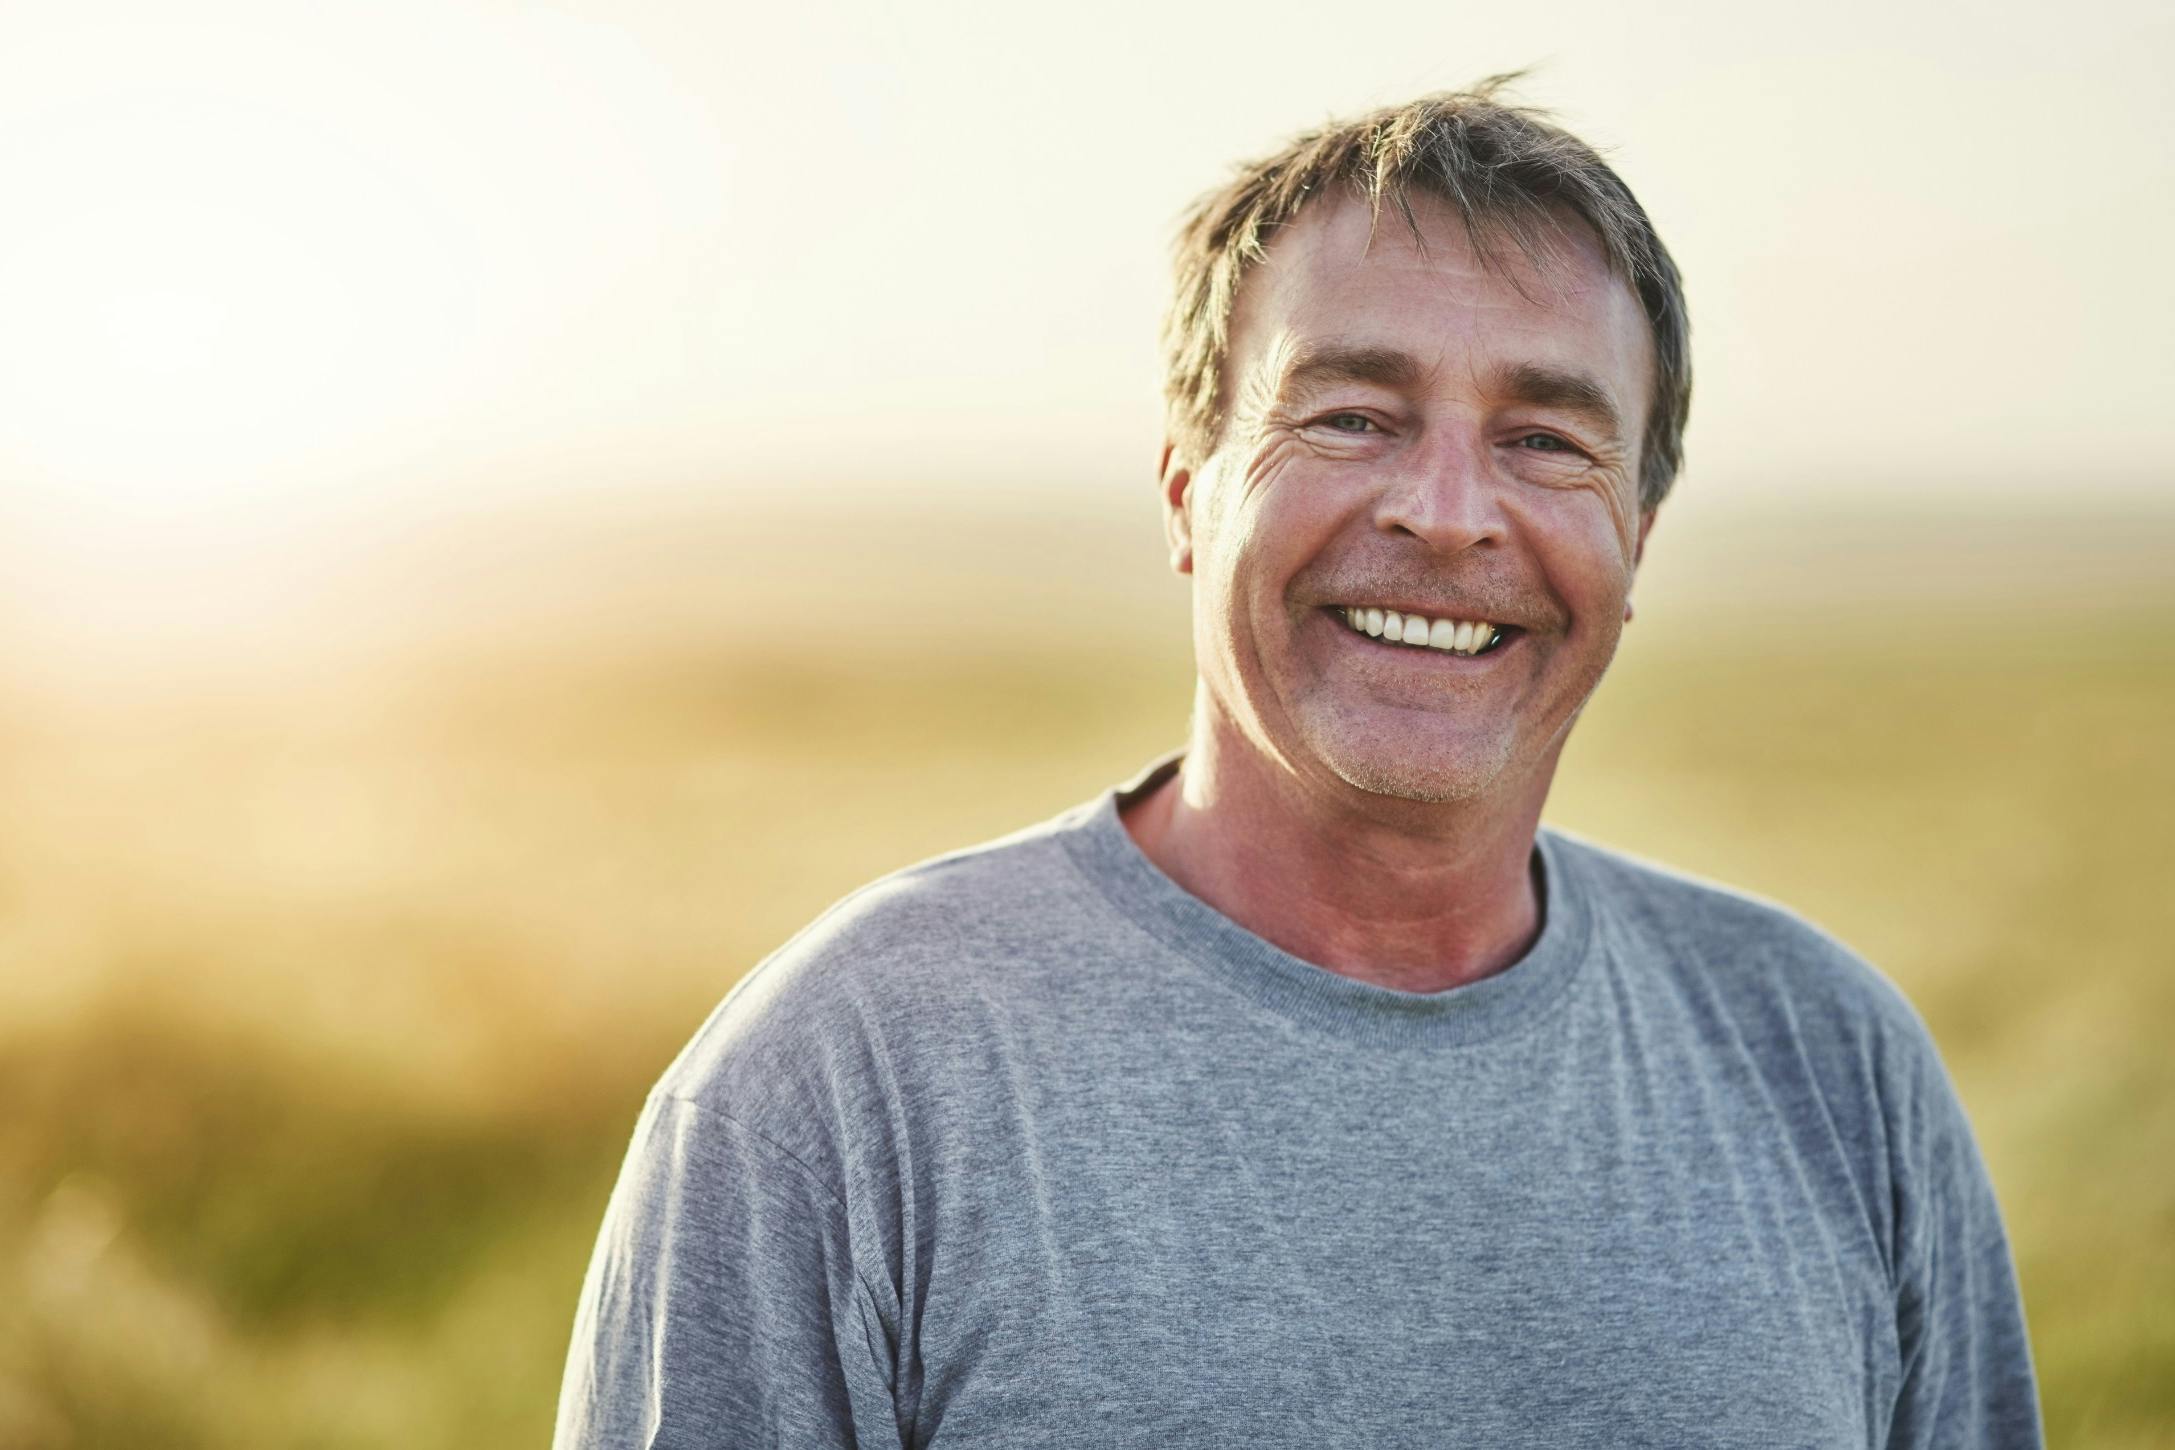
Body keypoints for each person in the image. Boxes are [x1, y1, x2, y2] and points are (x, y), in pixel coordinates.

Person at [554, 81, 2043, 1448]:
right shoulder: (837, 1092)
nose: (1449, 514)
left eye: (1546, 439)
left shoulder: (1833, 1069)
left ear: (1635, 541)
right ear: (1187, 490)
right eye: (1351, 416)